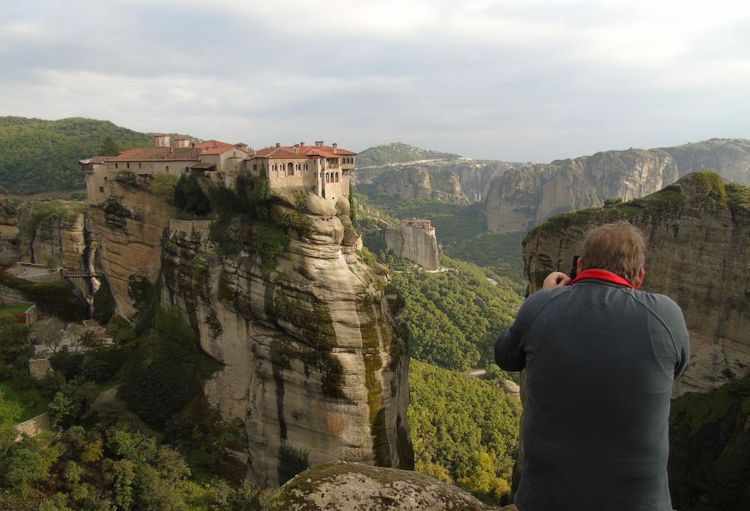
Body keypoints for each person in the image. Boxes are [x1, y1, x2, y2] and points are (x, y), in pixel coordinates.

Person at [495, 221, 690, 511]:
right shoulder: (666, 315)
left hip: (545, 501)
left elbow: (505, 356)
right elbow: (678, 369)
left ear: (581, 265)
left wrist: (542, 296)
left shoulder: (541, 306)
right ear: (639, 277)